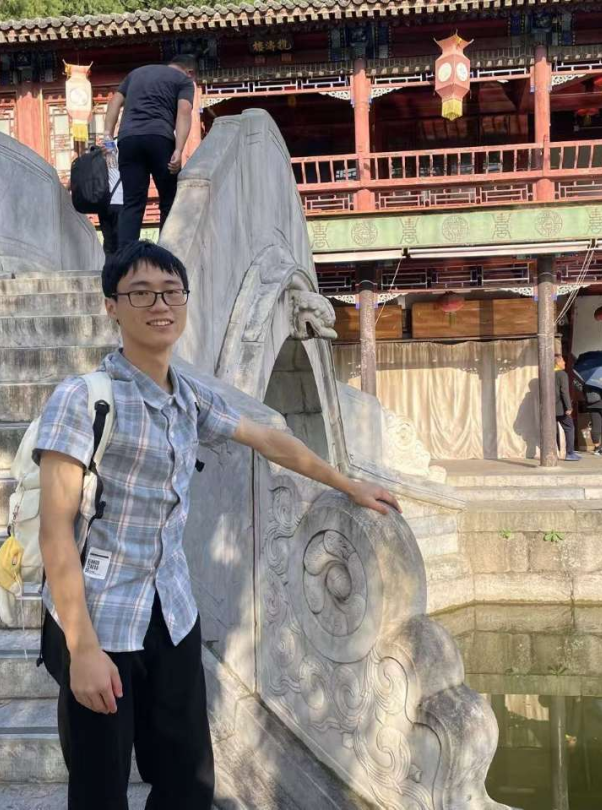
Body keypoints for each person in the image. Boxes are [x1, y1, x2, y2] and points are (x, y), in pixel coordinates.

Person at [36, 240, 400, 810]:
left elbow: (269, 439)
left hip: (172, 613)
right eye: (140, 293)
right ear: (112, 306)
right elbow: (55, 531)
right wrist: (82, 649)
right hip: (100, 617)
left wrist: (347, 483)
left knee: (188, 783)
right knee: (100, 789)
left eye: (171, 292)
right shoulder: (82, 400)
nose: (160, 305)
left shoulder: (188, 398)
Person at [103, 54, 197, 247]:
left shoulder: (136, 74)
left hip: (128, 140)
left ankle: (127, 256)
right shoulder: (184, 81)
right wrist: (179, 149)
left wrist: (107, 136)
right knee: (169, 199)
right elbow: (184, 111)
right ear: (190, 72)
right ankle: (166, 251)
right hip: (159, 139)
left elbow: (114, 102)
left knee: (132, 202)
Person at [554, 353, 581, 461]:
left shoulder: (547, 374)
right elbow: (564, 391)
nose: (564, 363)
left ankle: (552, 452)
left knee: (552, 431)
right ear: (557, 362)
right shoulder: (562, 374)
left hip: (549, 409)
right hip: (560, 408)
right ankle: (570, 453)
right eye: (562, 361)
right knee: (569, 428)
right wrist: (569, 407)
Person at [99, 144, 124, 258]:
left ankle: (108, 265)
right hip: (120, 202)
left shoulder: (101, 158)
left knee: (108, 243)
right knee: (121, 243)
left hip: (104, 205)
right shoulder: (123, 155)